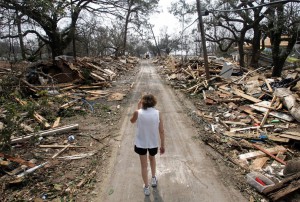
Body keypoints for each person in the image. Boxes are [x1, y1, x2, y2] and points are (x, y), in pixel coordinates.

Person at [130, 94, 165, 196]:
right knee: (152, 159)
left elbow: (132, 121)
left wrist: (138, 108)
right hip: (153, 143)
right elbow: (162, 131)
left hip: (141, 143)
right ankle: (153, 178)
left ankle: (146, 187)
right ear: (154, 102)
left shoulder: (138, 112)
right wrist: (162, 145)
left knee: (143, 165)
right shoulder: (158, 113)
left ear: (142, 102)